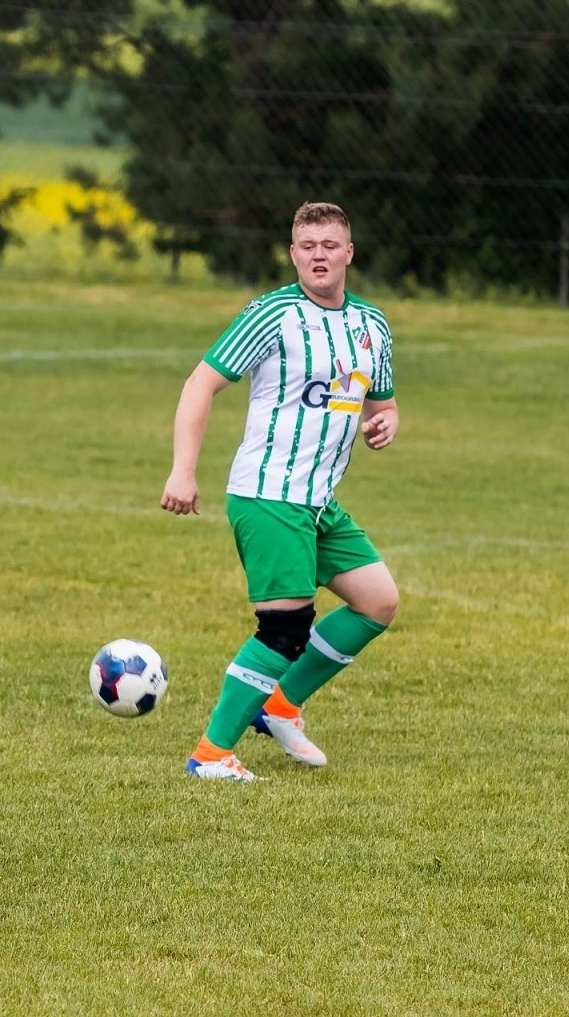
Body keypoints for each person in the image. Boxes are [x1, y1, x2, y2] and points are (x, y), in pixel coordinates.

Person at [161, 201, 400, 782]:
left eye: (330, 245)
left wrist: (386, 421)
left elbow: (383, 402)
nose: (319, 255)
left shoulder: (372, 325)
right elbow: (200, 384)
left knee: (377, 602)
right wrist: (182, 471)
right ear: (293, 254)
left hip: (319, 503)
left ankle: (280, 705)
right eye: (308, 246)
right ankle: (212, 754)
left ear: (349, 253)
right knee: (285, 629)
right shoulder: (272, 315)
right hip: (269, 494)